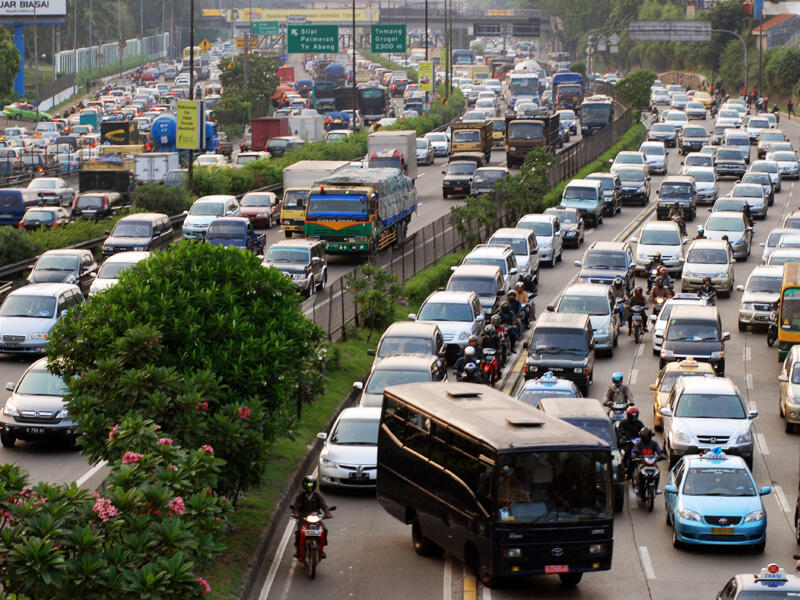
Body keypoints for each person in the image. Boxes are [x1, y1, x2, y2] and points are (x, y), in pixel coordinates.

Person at [293, 475, 332, 559]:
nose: (309, 487)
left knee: (324, 530)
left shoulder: (317, 496)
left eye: (311, 485)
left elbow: (324, 506)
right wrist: (296, 513)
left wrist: (327, 513)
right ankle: (298, 550)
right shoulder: (300, 497)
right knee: (299, 532)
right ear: (304, 485)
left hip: (316, 517)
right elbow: (296, 507)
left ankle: (322, 549)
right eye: (308, 485)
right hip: (303, 518)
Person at [630, 427, 665, 491]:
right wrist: (634, 455)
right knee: (638, 474)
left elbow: (659, 451)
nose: (645, 438)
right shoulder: (639, 444)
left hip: (652, 464)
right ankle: (638, 486)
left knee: (658, 473)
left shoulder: (654, 443)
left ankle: (656, 488)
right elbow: (634, 450)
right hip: (642, 464)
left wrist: (661, 455)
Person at [617, 406, 645, 479]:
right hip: (627, 443)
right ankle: (623, 468)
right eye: (633, 417)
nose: (634, 419)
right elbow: (619, 432)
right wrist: (623, 438)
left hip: (637, 444)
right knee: (625, 454)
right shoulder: (623, 423)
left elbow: (644, 431)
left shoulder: (639, 423)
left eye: (635, 417)